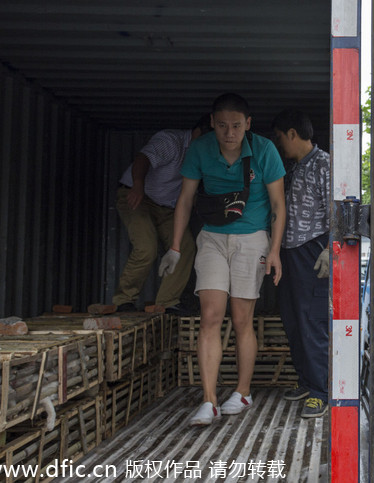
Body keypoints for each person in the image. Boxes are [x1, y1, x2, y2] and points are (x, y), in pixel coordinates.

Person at [160, 93, 286, 426]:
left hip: (252, 237)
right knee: (210, 316)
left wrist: (274, 250)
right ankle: (209, 400)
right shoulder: (200, 150)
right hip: (212, 237)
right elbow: (186, 199)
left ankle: (242, 392)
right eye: (221, 125)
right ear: (212, 123)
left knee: (242, 318)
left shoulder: (264, 150)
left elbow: (278, 205)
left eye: (236, 126)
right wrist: (175, 246)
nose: (229, 133)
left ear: (248, 124)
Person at [113, 115, 212, 314]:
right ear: (197, 133)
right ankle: (123, 300)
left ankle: (167, 303)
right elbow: (143, 159)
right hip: (138, 197)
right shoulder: (171, 141)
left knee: (186, 247)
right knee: (146, 247)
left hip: (168, 208)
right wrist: (138, 185)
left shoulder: (205, 156)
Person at [271, 109, 330, 418]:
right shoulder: (293, 168)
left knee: (312, 322)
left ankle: (321, 391)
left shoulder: (325, 164)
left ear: (292, 134)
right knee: (293, 321)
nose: (280, 144)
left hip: (313, 251)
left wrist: (330, 249)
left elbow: (338, 208)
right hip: (289, 252)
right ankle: (307, 381)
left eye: (280, 138)